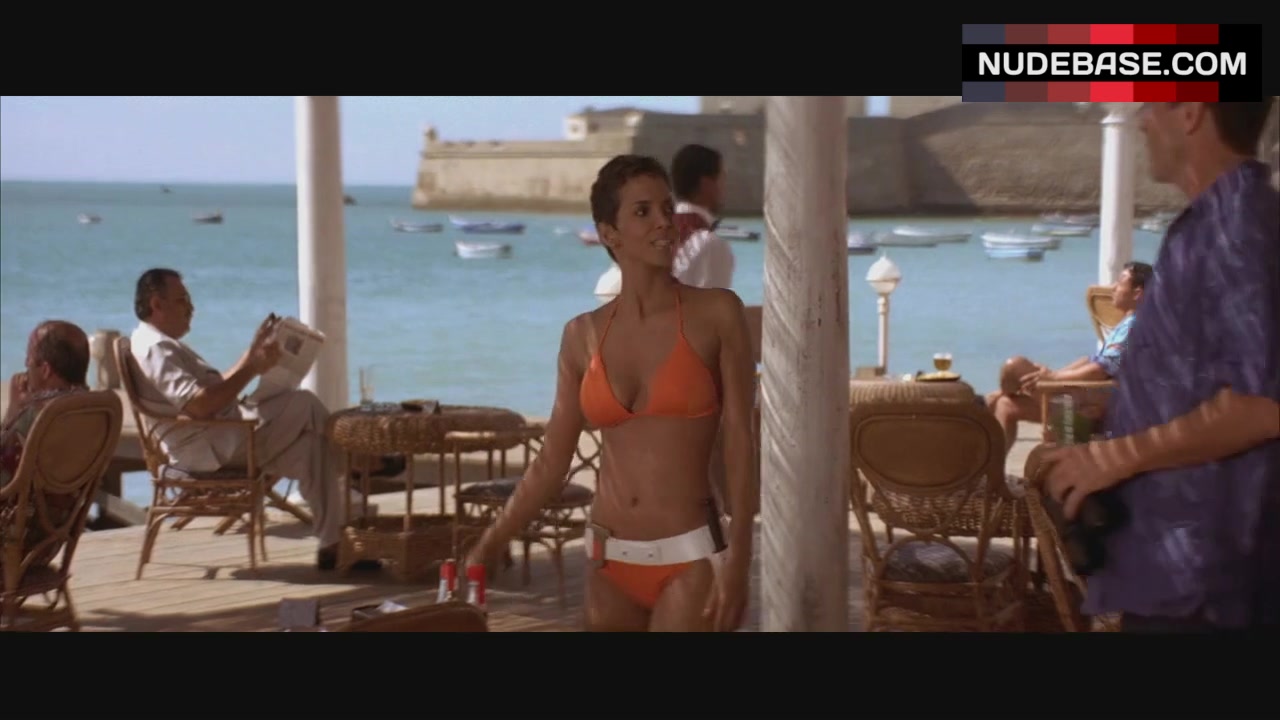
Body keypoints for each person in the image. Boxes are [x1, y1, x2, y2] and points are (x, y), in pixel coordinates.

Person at [465, 155, 758, 631]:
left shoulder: (718, 314)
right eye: (643, 211)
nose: (664, 221)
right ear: (609, 234)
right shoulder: (581, 335)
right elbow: (551, 462)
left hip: (690, 559)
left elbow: (742, 442)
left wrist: (741, 556)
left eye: (666, 208)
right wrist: (487, 544)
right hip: (607, 563)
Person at [1040, 100, 1280, 632]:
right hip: (1174, 575)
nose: (1142, 118)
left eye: (1152, 102)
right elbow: (1200, 385)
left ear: (1191, 111)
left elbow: (1262, 405)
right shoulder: (1210, 224)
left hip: (1206, 589)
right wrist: (1114, 419)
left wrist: (1115, 458)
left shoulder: (1237, 227)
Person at [127, 268, 395, 570]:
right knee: (303, 403)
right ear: (156, 304)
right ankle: (359, 460)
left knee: (311, 448)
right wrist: (252, 368)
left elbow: (212, 389)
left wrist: (251, 355)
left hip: (224, 436)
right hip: (213, 448)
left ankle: (332, 545)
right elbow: (199, 406)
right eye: (182, 300)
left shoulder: (160, 344)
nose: (191, 308)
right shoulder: (156, 349)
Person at [985, 261, 1153, 454]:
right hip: (1087, 392)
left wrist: (1054, 378)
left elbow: (1100, 370)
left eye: (1120, 282)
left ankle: (991, 398)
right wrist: (1053, 375)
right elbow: (1091, 360)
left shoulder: (1135, 327)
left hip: (1097, 402)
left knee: (1015, 366)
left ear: (1137, 293)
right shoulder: (1126, 324)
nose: (1113, 288)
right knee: (1006, 405)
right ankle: (993, 469)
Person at [1, 321, 92, 569]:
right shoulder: (93, 411)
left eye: (29, 362)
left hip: (12, 544)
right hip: (50, 543)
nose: (25, 368)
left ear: (45, 370)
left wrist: (13, 413)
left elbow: (5, 475)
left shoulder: (36, 415)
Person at [670, 144, 736, 290]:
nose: (725, 187)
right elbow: (713, 304)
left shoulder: (651, 238)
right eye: (722, 178)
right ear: (707, 184)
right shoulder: (711, 245)